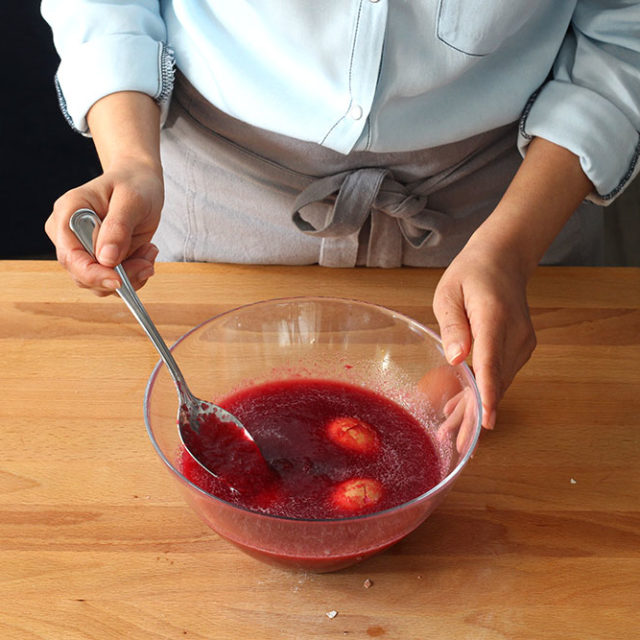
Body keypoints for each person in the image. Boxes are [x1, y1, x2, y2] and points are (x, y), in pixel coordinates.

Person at [41, 1, 640, 431]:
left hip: (509, 200)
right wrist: (131, 160)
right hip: (217, 192)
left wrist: (508, 251)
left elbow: (624, 33)